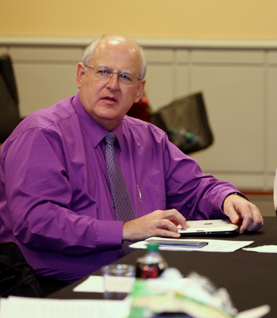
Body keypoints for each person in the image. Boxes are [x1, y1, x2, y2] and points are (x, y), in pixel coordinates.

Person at [0, 35, 263, 288]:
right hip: (57, 287)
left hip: (141, 278)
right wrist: (125, 230)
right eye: (103, 71)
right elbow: (37, 222)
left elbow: (195, 189)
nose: (113, 85)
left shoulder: (149, 138)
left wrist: (228, 198)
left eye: (125, 77)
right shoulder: (42, 134)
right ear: (81, 75)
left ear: (139, 91)